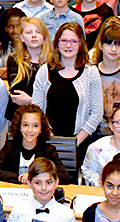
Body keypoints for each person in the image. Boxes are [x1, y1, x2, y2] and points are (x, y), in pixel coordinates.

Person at [31, 22, 103, 158]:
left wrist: (74, 143)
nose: (68, 45)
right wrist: (51, 140)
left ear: (81, 43)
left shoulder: (91, 72)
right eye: (64, 41)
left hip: (80, 144)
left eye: (74, 41)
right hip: (47, 143)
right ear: (57, 43)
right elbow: (36, 109)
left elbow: (97, 113)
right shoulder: (44, 71)